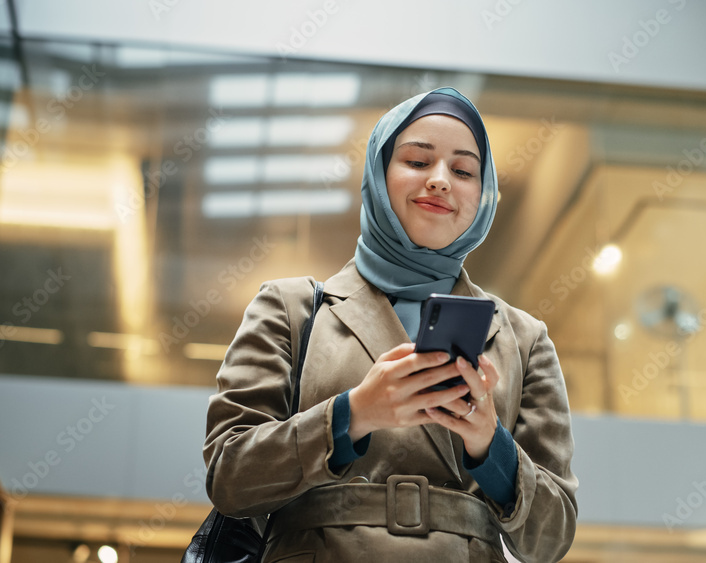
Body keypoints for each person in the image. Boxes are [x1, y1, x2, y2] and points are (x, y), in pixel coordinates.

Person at [203, 87, 578, 563]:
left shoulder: (524, 339)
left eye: (463, 170)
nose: (441, 180)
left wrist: (489, 443)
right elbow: (230, 478)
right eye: (418, 162)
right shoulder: (290, 307)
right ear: (379, 177)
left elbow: (552, 537)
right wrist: (353, 413)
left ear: (482, 196)